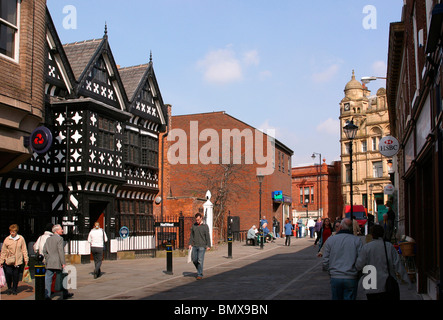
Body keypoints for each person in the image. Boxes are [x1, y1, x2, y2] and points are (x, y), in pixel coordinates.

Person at [356, 224, 410, 300]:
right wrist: (407, 280)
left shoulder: (366, 248)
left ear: (372, 235)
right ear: (382, 234)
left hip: (371, 285)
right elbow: (398, 264)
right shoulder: (389, 246)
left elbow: (359, 265)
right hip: (387, 284)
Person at [322, 218, 363, 300]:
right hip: (351, 276)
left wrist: (329, 270)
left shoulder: (331, 240)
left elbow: (325, 259)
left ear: (340, 227)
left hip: (336, 276)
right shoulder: (357, 240)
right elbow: (361, 259)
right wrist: (357, 270)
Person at [43, 224, 73, 300]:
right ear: (56, 231)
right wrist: (63, 262)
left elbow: (44, 251)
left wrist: (48, 258)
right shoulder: (60, 239)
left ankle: (47, 295)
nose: (62, 230)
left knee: (48, 279)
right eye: (61, 229)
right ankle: (65, 294)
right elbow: (61, 251)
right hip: (57, 262)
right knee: (62, 278)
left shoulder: (48, 239)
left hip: (49, 262)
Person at [0, 224, 29, 295]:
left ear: (16, 231)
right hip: (8, 260)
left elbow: (24, 249)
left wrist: (26, 259)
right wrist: (1, 261)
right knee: (8, 274)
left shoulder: (21, 238)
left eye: (13, 232)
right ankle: (9, 287)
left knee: (16, 275)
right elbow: (3, 251)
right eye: (11, 231)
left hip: (17, 260)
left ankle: (15, 289)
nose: (12, 233)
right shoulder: (7, 239)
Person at [188, 213, 211, 280]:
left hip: (202, 246)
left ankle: (199, 274)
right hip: (195, 245)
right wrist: (190, 244)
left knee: (200, 260)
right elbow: (191, 235)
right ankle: (199, 270)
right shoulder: (194, 226)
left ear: (201, 218)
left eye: (198, 220)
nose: (197, 221)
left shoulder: (205, 226)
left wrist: (208, 245)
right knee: (194, 260)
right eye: (196, 220)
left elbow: (207, 236)